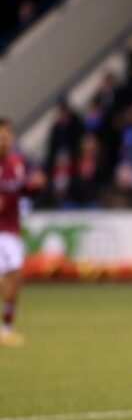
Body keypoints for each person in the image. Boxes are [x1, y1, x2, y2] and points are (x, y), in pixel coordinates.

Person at [0, 118, 45, 346]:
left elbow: (23, 192)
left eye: (8, 135)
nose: (5, 139)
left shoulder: (17, 162)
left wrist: (34, 187)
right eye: (2, 135)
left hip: (12, 230)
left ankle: (6, 328)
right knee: (11, 275)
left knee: (14, 278)